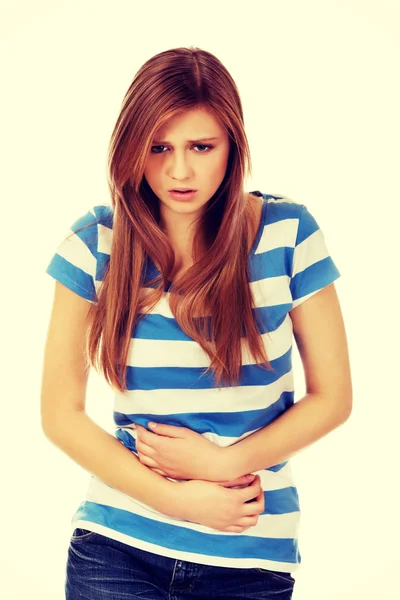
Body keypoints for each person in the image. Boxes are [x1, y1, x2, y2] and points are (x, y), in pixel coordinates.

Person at [41, 46, 352, 600]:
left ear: (233, 147)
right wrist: (179, 499)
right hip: (118, 547)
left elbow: (334, 397)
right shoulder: (97, 245)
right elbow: (60, 416)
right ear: (132, 148)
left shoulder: (287, 235)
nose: (178, 171)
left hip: (249, 553)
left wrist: (224, 462)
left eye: (201, 147)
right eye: (158, 147)